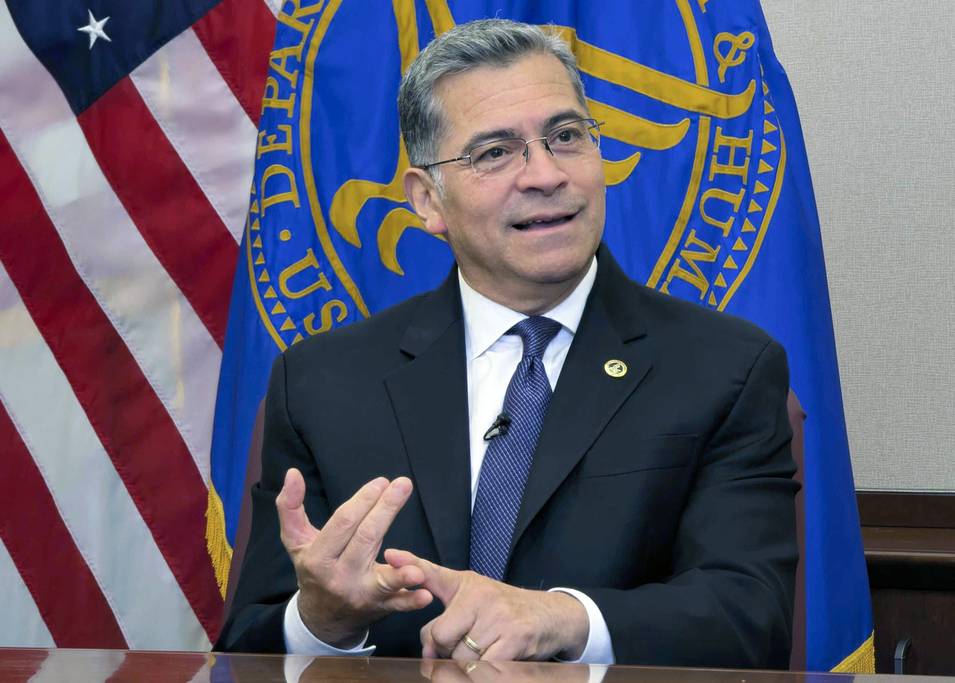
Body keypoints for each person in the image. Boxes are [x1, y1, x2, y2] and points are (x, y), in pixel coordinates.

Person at [216, 18, 799, 668]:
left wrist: (564, 617)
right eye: (495, 152)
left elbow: (751, 617)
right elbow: (247, 651)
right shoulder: (322, 383)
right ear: (427, 202)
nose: (545, 173)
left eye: (567, 136)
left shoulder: (725, 370)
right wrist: (323, 620)